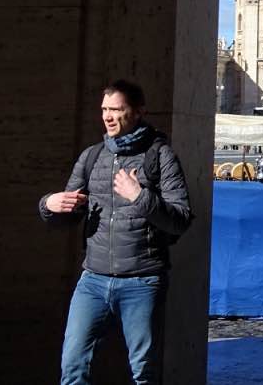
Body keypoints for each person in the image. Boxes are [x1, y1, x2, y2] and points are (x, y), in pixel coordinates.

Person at [40, 80, 193, 385]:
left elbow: (181, 220)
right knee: (71, 366)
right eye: (104, 110)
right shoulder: (92, 156)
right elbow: (66, 216)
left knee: (143, 373)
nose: (107, 117)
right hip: (93, 280)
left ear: (138, 112)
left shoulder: (160, 156)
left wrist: (140, 196)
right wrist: (49, 204)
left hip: (142, 281)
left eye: (116, 109)